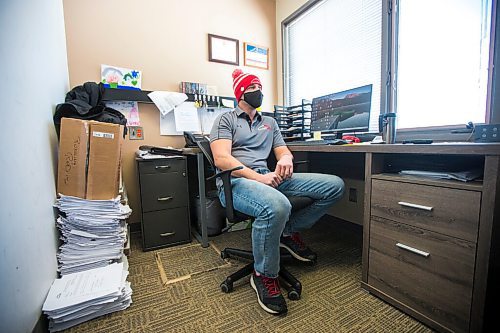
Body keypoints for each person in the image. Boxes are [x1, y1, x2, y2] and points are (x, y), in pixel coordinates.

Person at [209, 69, 345, 316]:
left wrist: (287, 159)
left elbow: (282, 151)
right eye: (252, 88)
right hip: (238, 181)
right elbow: (221, 159)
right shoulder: (225, 119)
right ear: (240, 93)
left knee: (334, 185)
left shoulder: (269, 123)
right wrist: (259, 177)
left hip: (270, 176)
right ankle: (263, 274)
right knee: (277, 206)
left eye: (260, 87)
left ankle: (287, 231)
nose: (258, 92)